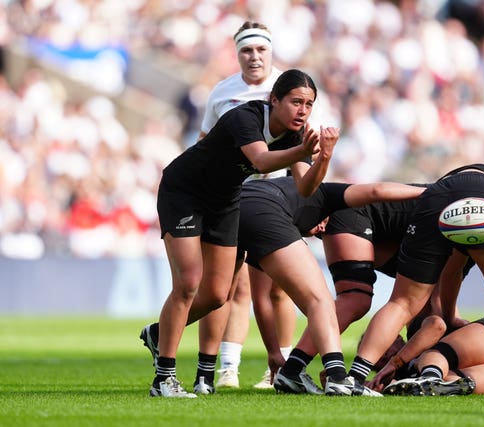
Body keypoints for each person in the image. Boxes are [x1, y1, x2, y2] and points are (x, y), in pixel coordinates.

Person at [140, 68, 338, 398]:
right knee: (189, 282)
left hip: (225, 200)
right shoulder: (243, 117)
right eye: (295, 102)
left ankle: (158, 333)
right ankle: (164, 379)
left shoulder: (294, 134)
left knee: (218, 294)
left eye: (308, 104)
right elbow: (261, 162)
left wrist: (324, 158)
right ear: (274, 99)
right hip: (185, 192)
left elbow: (304, 187)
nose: (302, 110)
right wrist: (305, 152)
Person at [346, 163, 484, 396]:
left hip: (435, 200)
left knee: (402, 302)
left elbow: (452, 271)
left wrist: (449, 312)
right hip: (483, 202)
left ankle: (354, 377)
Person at [237, 176, 426, 396]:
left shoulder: (295, 204)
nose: (320, 230)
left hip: (241, 207)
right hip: (345, 215)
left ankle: (291, 370)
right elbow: (375, 190)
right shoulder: (326, 196)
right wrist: (431, 193)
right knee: (346, 298)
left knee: (212, 296)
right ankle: (339, 377)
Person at [196, 20, 297, 390]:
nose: (254, 57)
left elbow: (305, 141)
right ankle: (228, 368)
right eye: (246, 50)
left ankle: (280, 370)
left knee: (276, 288)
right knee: (232, 287)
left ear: (271, 52)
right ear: (236, 53)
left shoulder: (289, 87)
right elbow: (204, 144)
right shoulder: (222, 92)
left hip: (275, 196)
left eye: (261, 50)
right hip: (231, 196)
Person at [371, 314, 484, 396]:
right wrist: (383, 387)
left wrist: (396, 362)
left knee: (433, 355)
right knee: (456, 384)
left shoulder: (415, 331)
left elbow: (437, 325)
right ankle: (434, 380)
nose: (382, 355)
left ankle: (430, 375)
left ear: (397, 336)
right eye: (377, 360)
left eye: (381, 347)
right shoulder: (404, 379)